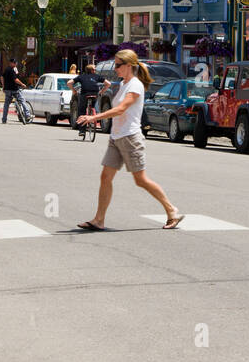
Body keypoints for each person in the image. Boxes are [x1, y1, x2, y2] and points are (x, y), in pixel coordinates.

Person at [76, 49, 184, 231]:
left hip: (130, 138)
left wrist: (93, 118)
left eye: (118, 65)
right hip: (116, 137)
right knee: (105, 177)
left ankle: (172, 210)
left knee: (140, 179)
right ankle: (99, 220)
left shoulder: (135, 85)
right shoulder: (123, 83)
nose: (115, 68)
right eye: (114, 65)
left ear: (129, 65)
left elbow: (121, 109)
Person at [72, 64, 104, 136]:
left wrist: (74, 91)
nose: (95, 71)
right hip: (94, 94)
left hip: (84, 94)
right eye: (94, 69)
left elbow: (69, 83)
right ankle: (94, 112)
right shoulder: (97, 76)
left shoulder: (81, 76)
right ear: (92, 70)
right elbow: (108, 83)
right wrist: (102, 91)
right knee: (94, 103)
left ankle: (82, 131)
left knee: (82, 110)